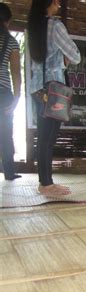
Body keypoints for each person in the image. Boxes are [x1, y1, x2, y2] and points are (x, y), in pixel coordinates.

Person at [27, 0, 81, 196]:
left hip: (37, 88)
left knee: (43, 138)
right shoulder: (55, 25)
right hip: (53, 88)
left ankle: (45, 182)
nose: (58, 3)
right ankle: (47, 184)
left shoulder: (32, 27)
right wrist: (64, 61)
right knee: (49, 139)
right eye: (56, 0)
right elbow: (76, 56)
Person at [0, 3, 21, 181]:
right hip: (3, 93)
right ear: (8, 21)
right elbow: (15, 72)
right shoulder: (11, 42)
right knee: (6, 134)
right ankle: (8, 172)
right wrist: (16, 98)